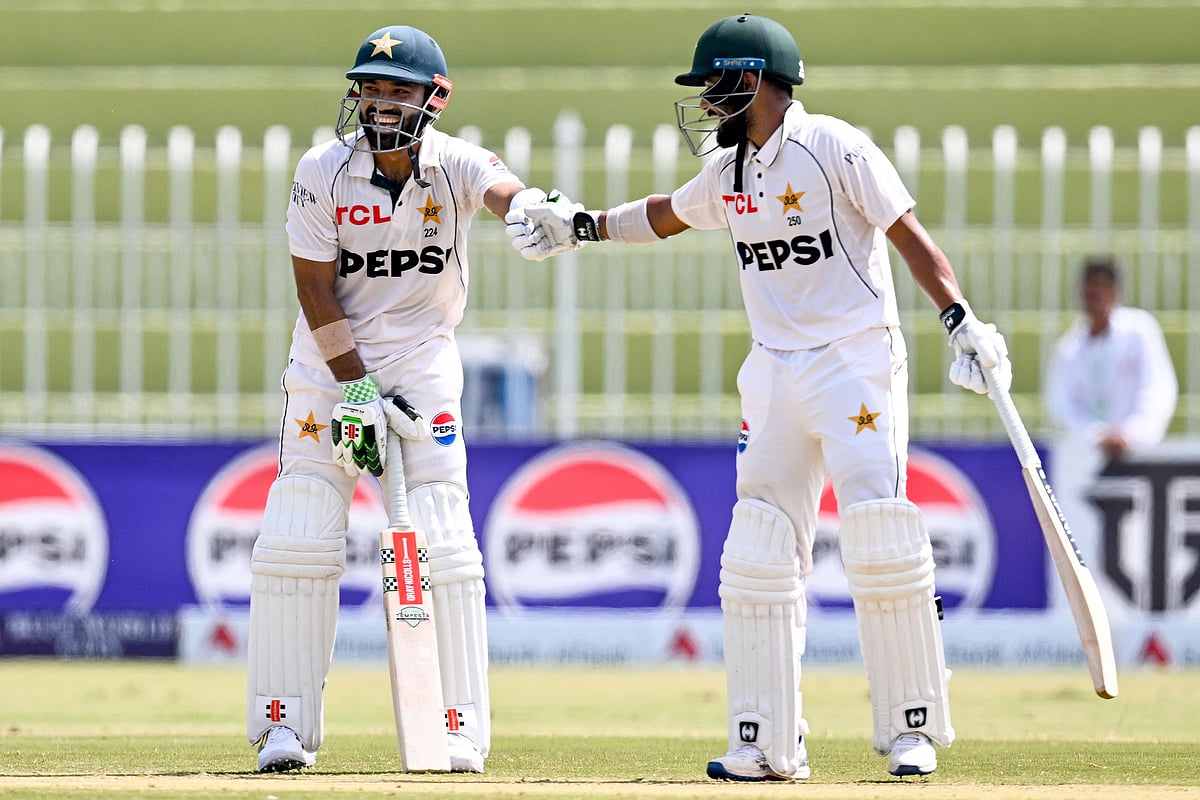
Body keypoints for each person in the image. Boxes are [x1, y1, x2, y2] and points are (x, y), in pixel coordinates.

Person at [505, 13, 1012, 781]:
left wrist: (958, 317)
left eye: (715, 88)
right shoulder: (730, 173)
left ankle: (912, 728)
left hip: (855, 363)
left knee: (879, 535)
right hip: (774, 371)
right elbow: (666, 216)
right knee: (760, 550)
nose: (706, 104)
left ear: (753, 81)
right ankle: (767, 740)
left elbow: (906, 232)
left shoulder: (833, 146)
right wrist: (583, 224)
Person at [247, 24, 555, 773]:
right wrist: (352, 387)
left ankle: (456, 725)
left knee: (444, 537)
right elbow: (315, 291)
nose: (382, 102)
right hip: (327, 367)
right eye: (371, 87)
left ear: (435, 98)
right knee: (300, 533)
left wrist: (529, 209)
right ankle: (281, 726)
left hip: (421, 368)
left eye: (399, 89)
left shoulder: (452, 164)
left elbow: (502, 186)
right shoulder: (321, 170)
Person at [1045, 256, 1177, 460]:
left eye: (1101, 288)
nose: (1095, 297)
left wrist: (1133, 433)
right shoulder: (1068, 349)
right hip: (1090, 456)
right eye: (1089, 290)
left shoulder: (1139, 330)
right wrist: (1096, 435)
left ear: (1115, 292)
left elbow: (1159, 387)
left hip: (1140, 452)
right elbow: (1062, 404)